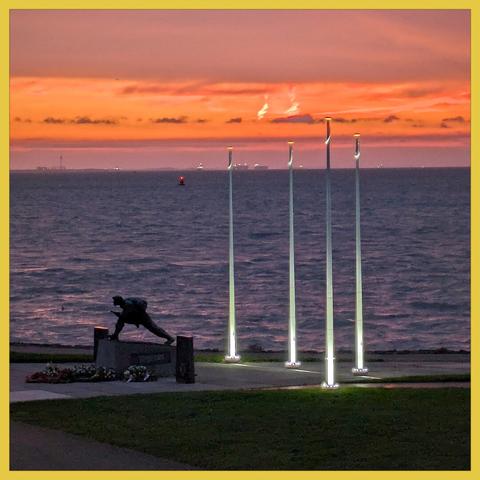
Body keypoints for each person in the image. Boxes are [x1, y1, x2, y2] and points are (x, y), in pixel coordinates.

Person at [109, 295, 175, 344]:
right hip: (136, 315)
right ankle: (115, 335)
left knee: (154, 328)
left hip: (141, 316)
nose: (114, 302)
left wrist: (119, 315)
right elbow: (125, 314)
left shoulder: (127, 304)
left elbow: (124, 315)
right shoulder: (126, 302)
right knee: (120, 321)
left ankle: (170, 338)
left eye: (115, 301)